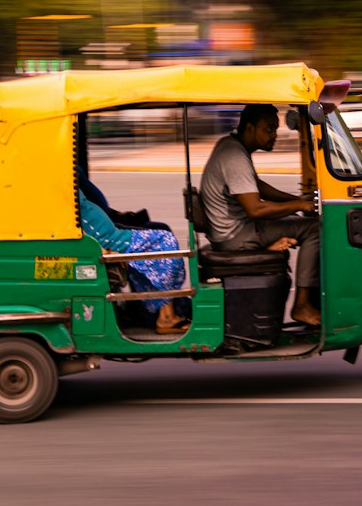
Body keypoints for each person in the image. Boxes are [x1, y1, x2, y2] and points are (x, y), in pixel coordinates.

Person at [200, 103, 321, 327]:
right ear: (249, 128)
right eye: (268, 129)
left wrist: (295, 200)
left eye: (275, 129)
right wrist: (300, 205)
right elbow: (255, 209)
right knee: (315, 229)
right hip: (236, 236)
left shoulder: (231, 146)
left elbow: (257, 186)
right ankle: (303, 305)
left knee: (300, 221)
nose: (274, 135)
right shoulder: (234, 156)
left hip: (232, 231)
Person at [78, 188, 188, 334]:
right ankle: (165, 316)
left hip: (112, 236)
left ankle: (160, 309)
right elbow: (71, 224)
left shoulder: (65, 183)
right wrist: (100, 249)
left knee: (161, 235)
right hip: (109, 241)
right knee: (165, 240)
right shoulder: (59, 187)